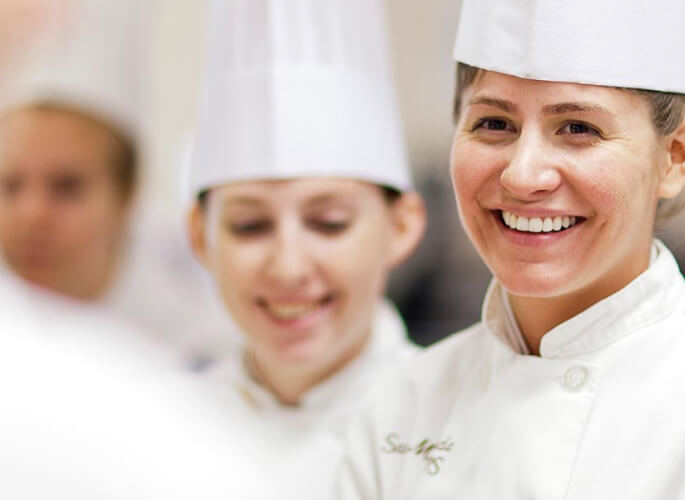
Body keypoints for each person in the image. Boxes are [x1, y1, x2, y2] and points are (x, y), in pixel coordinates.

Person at [336, 0, 685, 498]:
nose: (523, 174)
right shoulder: (401, 404)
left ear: (677, 156)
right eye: (493, 123)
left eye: (579, 128)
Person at [183, 0, 426, 497]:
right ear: (199, 236)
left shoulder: (460, 418)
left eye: (328, 223)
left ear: (401, 225)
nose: (289, 266)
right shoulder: (147, 426)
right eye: (250, 225)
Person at [0, 0, 240, 368]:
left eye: (67, 187)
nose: (31, 215)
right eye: (10, 186)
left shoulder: (202, 358)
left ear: (128, 196)